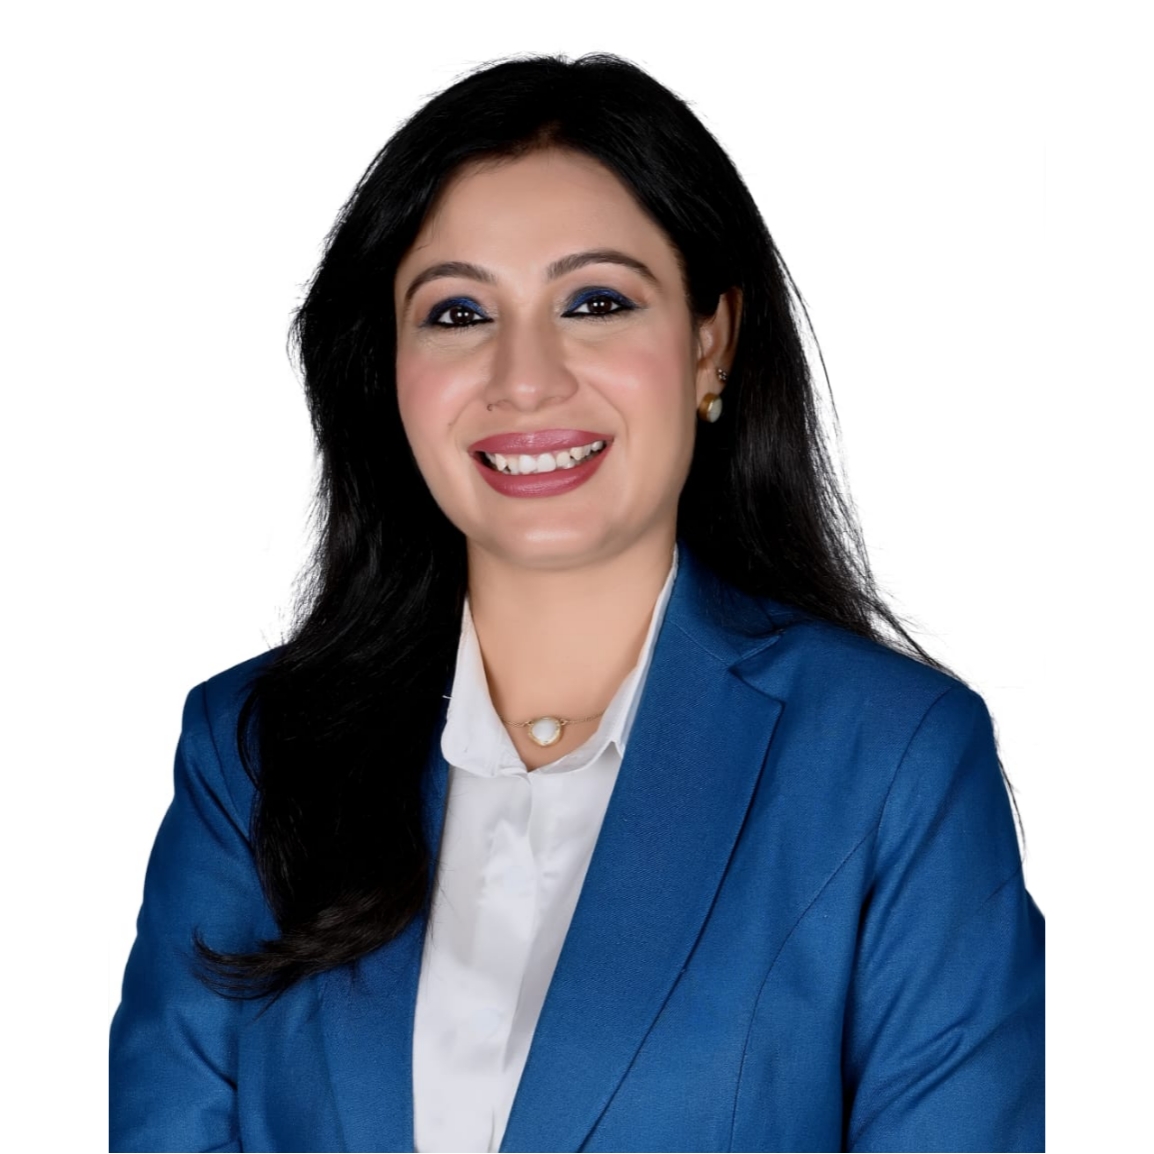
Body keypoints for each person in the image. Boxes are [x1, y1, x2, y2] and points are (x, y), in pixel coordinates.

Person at [109, 53, 1045, 1153]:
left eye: (595, 302)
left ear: (710, 341)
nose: (525, 376)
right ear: (389, 368)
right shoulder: (251, 754)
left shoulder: (891, 764)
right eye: (457, 312)